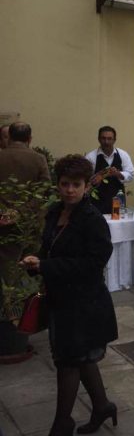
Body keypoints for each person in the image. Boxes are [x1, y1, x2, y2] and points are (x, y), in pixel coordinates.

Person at [18, 155, 118, 436]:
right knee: (79, 358)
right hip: (59, 299)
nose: (70, 190)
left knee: (68, 361)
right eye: (65, 184)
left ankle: (62, 423)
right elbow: (50, 249)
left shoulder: (92, 220)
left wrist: (46, 266)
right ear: (58, 184)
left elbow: (93, 264)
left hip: (84, 303)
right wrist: (36, 261)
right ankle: (102, 406)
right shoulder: (54, 212)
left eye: (76, 185)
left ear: (87, 186)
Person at [0, 122, 51, 328]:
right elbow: (45, 187)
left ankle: (10, 316)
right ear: (29, 139)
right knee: (31, 268)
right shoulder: (38, 159)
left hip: (3, 223)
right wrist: (22, 211)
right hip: (31, 223)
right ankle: (29, 315)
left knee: (8, 271)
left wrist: (6, 212)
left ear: (9, 137)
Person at [84, 126, 134, 214]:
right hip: (97, 202)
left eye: (109, 139)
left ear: (114, 140)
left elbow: (130, 175)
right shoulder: (91, 157)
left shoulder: (123, 155)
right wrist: (96, 179)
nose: (106, 142)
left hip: (118, 200)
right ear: (99, 139)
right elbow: (85, 180)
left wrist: (118, 173)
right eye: (103, 138)